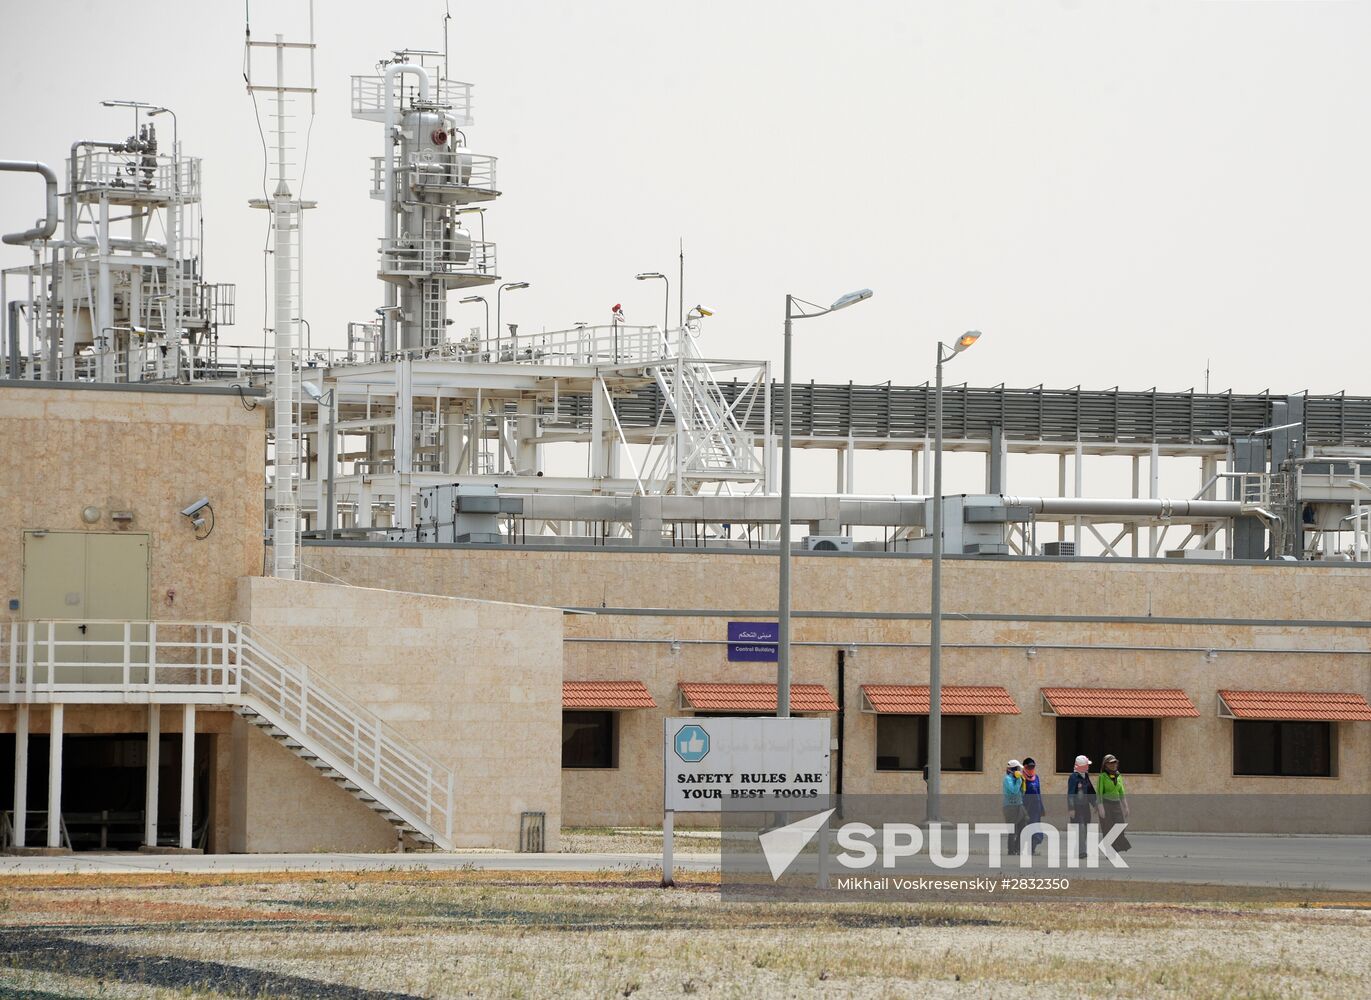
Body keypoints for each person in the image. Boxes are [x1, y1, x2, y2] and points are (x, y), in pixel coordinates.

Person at [1096, 753, 1132, 852]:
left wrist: (1126, 807)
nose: (1114, 765)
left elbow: (1121, 792)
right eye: (1111, 763)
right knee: (1107, 828)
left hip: (1116, 804)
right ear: (1106, 765)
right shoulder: (1102, 776)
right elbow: (1099, 793)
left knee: (1120, 826)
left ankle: (1113, 846)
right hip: (1106, 804)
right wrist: (1100, 807)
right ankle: (1110, 850)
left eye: (1115, 762)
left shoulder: (1118, 776)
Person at [1066, 755, 1095, 859]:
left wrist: (1096, 804)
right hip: (1077, 808)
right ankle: (1082, 852)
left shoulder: (1086, 776)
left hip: (1085, 807)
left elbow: (1091, 791)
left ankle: (1078, 849)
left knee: (1085, 828)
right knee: (1081, 828)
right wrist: (1071, 808)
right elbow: (1070, 794)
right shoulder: (1073, 777)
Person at [1001, 759, 1026, 855]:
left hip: (1019, 805)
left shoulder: (1017, 779)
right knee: (1012, 830)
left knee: (1022, 827)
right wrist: (1019, 780)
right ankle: (1011, 850)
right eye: (1018, 768)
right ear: (1013, 769)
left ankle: (1017, 848)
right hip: (1010, 807)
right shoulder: (1007, 779)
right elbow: (1014, 791)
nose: (1019, 770)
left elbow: (1022, 792)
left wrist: (1021, 781)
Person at [1021, 757, 1046, 853]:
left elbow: (1038, 792)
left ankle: (1032, 849)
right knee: (1026, 827)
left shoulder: (1036, 777)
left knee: (1036, 827)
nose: (1031, 769)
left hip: (1036, 806)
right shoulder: (1022, 778)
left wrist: (1042, 807)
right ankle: (1021, 848)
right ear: (1025, 767)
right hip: (1026, 806)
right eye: (1029, 767)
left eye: (1033, 767)